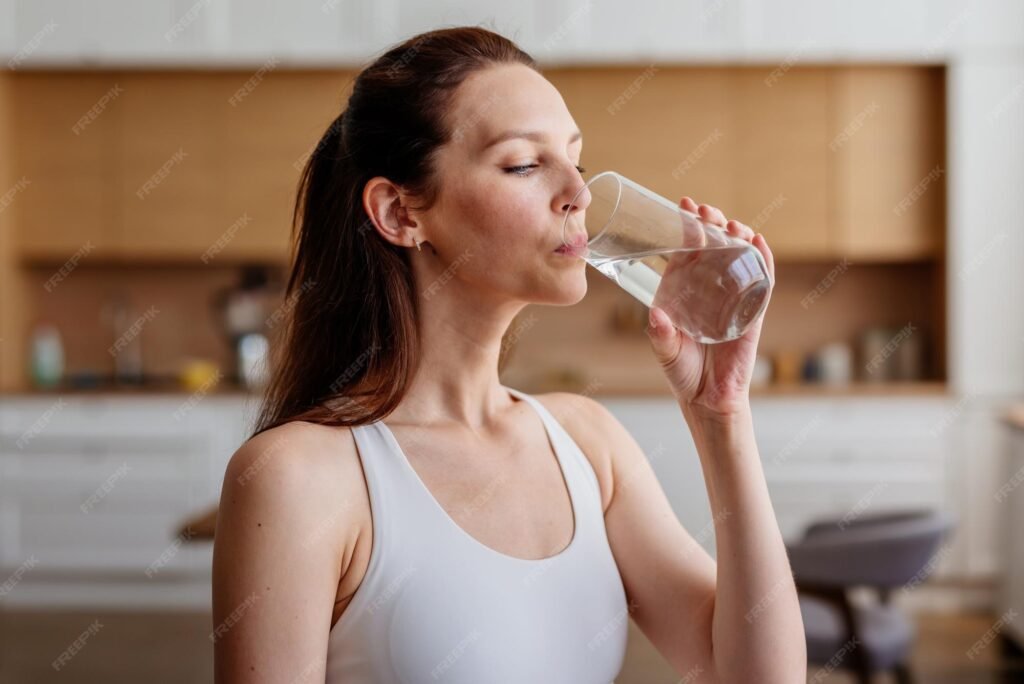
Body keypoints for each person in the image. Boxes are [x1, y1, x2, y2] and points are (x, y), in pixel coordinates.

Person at [212, 25, 805, 683]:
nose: (578, 194)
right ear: (400, 213)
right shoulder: (297, 476)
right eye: (524, 164)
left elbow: (756, 676)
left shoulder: (588, 444)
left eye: (574, 161)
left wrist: (722, 415)